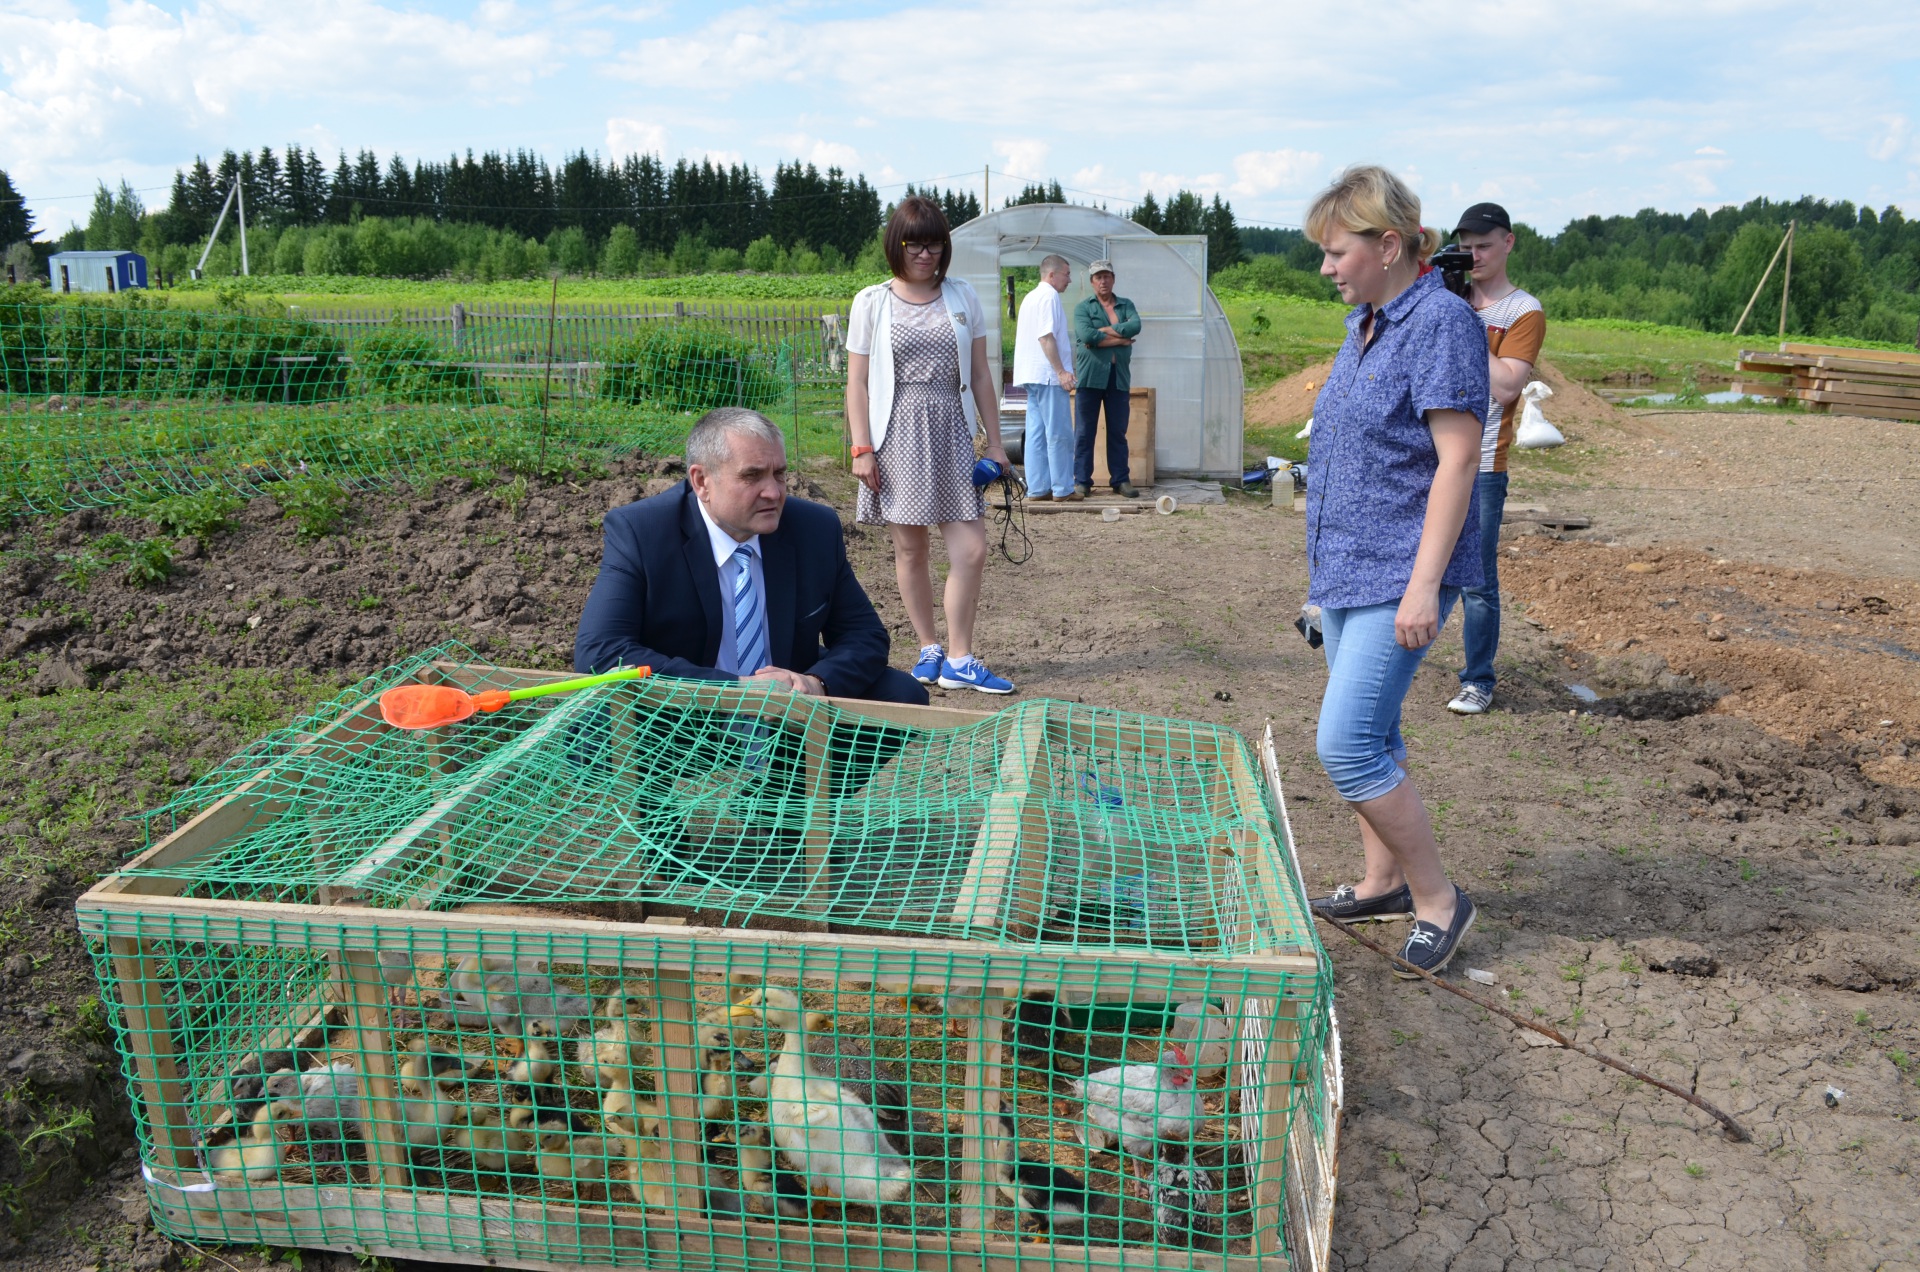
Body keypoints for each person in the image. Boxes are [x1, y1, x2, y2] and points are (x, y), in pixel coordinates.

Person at [1301, 164, 1489, 977]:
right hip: (1346, 569)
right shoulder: (1366, 326)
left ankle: (1439, 899)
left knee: (1345, 746)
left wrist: (1423, 586)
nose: (1326, 267)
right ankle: (1380, 881)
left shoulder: (1440, 322)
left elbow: (1456, 461)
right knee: (1374, 734)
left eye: (1337, 251)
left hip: (1396, 572)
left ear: (1387, 245)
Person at [574, 406, 926, 707]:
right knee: (589, 728)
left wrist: (816, 682)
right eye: (752, 476)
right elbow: (601, 651)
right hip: (684, 708)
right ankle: (658, 790)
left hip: (786, 708)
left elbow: (864, 634)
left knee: (900, 692)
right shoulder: (642, 531)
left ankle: (780, 787)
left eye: (779, 474)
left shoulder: (814, 528)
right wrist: (733, 689)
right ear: (701, 482)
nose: (773, 492)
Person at [845, 195, 1016, 695]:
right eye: (914, 244)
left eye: (935, 244)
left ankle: (960, 656)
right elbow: (857, 383)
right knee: (910, 548)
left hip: (952, 429)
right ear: (895, 246)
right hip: (895, 432)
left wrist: (996, 444)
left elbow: (982, 373)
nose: (926, 254)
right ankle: (929, 647)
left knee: (971, 548)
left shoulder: (962, 297)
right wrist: (861, 448)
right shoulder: (871, 302)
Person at [1446, 202, 1545, 716]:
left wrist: (1461, 323)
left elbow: (1507, 386)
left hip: (1482, 464)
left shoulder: (1523, 312)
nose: (1473, 255)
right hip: (1426, 458)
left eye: (1483, 245)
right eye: (1465, 247)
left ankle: (1478, 680)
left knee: (1477, 581)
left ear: (1508, 242)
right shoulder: (1447, 297)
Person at [1070, 260, 1143, 498]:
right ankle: (1082, 481)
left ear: (1113, 279)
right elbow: (1085, 335)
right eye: (1098, 277)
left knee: (1117, 432)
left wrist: (1101, 334)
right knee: (1084, 432)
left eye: (1107, 276)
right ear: (1092, 282)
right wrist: (1121, 339)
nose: (1103, 281)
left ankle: (1120, 480)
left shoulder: (1126, 304)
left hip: (1118, 377)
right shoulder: (1083, 308)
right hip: (1090, 378)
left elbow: (1135, 326)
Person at [1011, 254, 1080, 501]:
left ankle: (1038, 487)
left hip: (1031, 375)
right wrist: (1061, 372)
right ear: (1052, 275)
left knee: (1036, 434)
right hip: (1047, 376)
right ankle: (1063, 488)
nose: (1069, 280)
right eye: (1067, 274)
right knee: (1059, 433)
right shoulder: (1049, 296)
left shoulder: (1030, 297)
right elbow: (1045, 337)